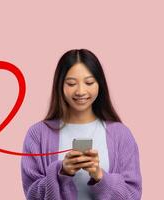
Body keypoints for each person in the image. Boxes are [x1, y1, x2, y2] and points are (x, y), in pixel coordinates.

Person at [21, 49, 142, 199]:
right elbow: (31, 195)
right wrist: (61, 173)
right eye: (71, 83)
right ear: (60, 85)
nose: (80, 91)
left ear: (100, 84)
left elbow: (133, 195)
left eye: (89, 82)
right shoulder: (38, 135)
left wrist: (100, 176)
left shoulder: (121, 135)